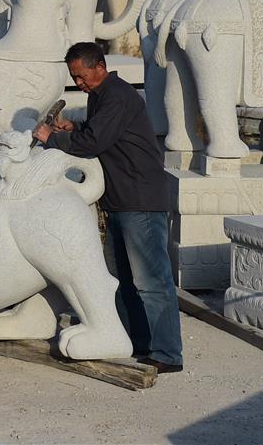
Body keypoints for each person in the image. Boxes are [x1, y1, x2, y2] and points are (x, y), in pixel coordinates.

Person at [32, 42, 183, 373]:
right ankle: (134, 341)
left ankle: (167, 353)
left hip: (140, 200)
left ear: (99, 67)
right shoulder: (99, 95)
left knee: (151, 281)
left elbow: (93, 143)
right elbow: (99, 134)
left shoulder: (116, 95)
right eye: (74, 78)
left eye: (82, 76)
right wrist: (75, 128)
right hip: (118, 200)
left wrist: (51, 138)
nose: (79, 83)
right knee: (122, 280)